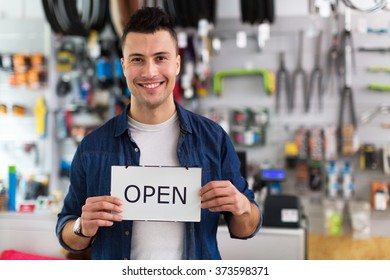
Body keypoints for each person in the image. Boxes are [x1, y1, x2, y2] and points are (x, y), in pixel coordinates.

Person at [56, 6, 261, 260]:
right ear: (123, 66)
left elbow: (245, 229)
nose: (150, 72)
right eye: (137, 59)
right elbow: (66, 231)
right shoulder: (92, 147)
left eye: (161, 58)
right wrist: (81, 227)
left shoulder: (213, 139)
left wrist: (241, 206)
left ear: (177, 63)